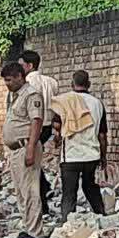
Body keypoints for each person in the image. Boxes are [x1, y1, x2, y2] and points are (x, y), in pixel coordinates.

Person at [48, 70, 107, 222]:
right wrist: (103, 156)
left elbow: (56, 126)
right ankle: (102, 216)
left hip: (71, 156)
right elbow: (102, 135)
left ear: (72, 84)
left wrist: (58, 135)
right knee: (90, 187)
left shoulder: (66, 101)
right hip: (92, 155)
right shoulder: (97, 104)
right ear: (89, 84)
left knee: (69, 192)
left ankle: (67, 223)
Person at [0, 62, 44, 238]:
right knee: (20, 191)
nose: (7, 84)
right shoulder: (15, 96)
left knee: (31, 191)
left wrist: (31, 148)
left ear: (19, 76)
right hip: (15, 149)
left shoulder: (31, 94)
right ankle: (27, 228)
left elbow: (36, 121)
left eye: (9, 80)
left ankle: (35, 232)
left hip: (26, 146)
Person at [21, 51, 58, 215]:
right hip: (48, 126)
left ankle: (42, 194)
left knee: (30, 163)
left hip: (34, 127)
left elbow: (32, 112)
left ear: (29, 66)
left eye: (21, 65)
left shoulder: (26, 83)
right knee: (35, 162)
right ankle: (44, 193)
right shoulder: (52, 82)